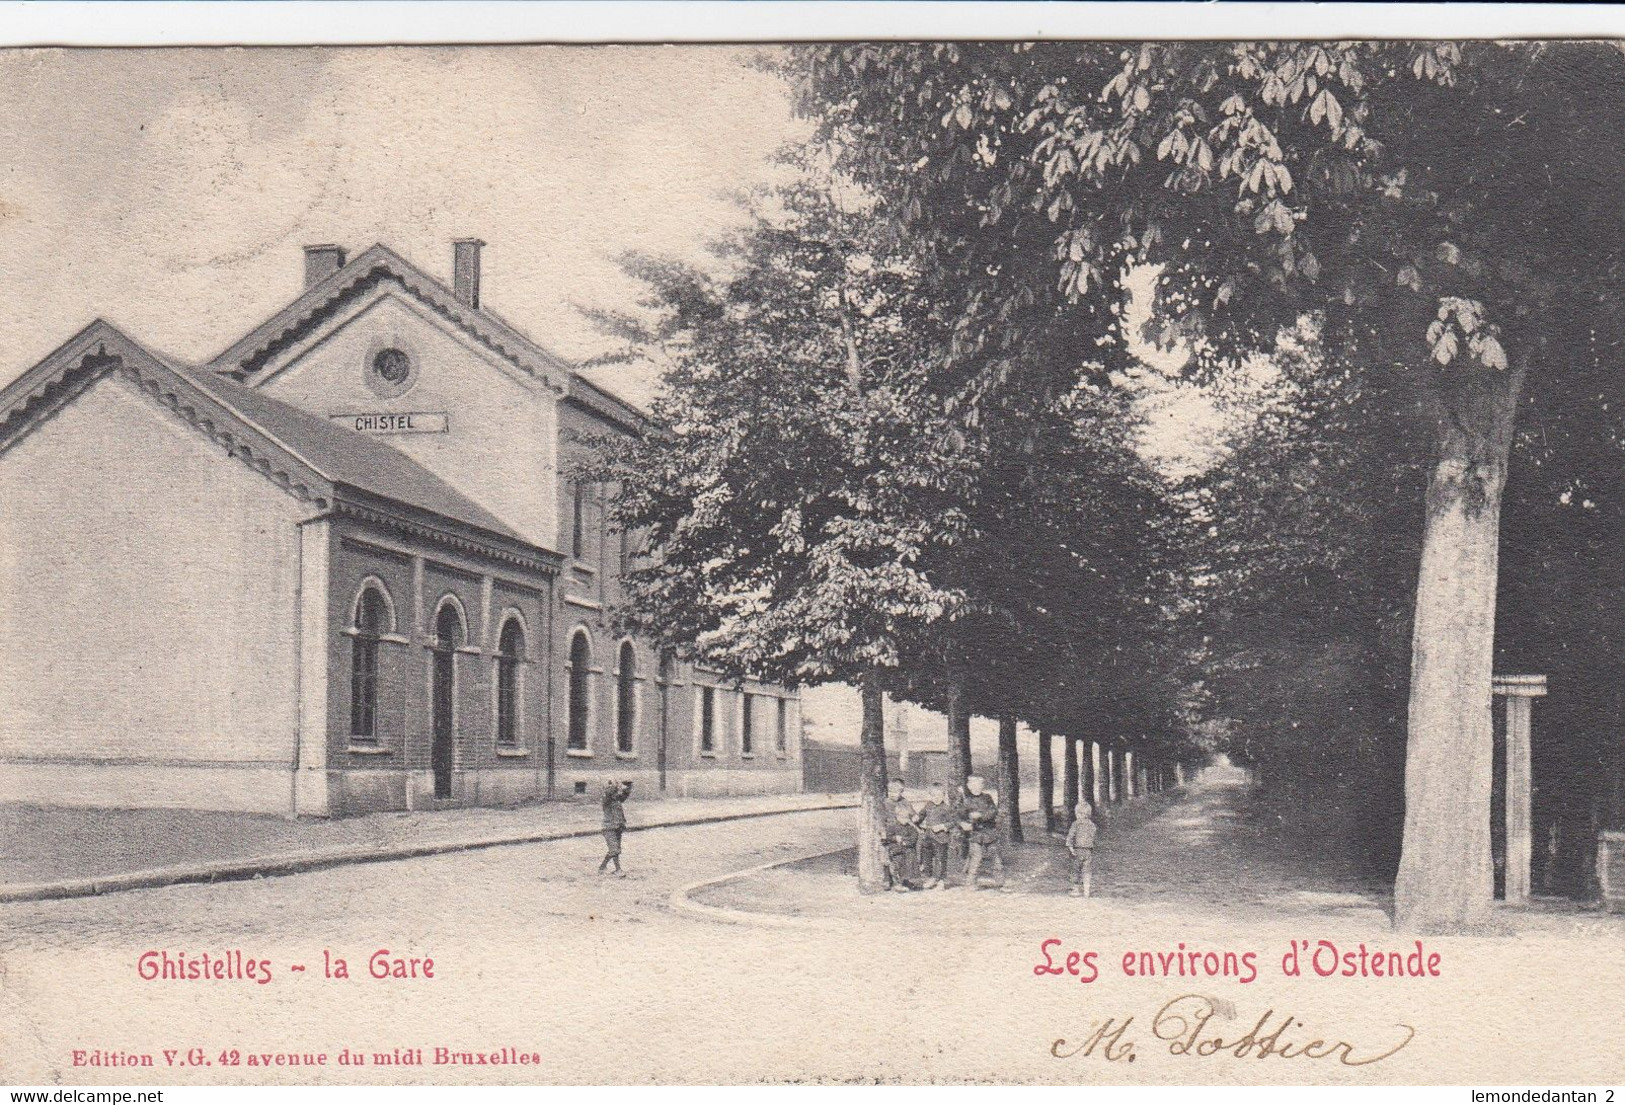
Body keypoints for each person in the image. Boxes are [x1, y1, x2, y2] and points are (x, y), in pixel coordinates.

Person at [960, 775, 1005, 889]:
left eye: (979, 785)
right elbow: (960, 816)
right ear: (969, 787)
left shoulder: (987, 798)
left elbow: (993, 811)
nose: (976, 788)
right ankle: (970, 883)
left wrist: (980, 816)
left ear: (983, 786)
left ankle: (999, 882)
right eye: (973, 785)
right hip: (975, 835)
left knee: (995, 858)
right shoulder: (967, 801)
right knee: (976, 858)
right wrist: (963, 824)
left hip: (990, 833)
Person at [916, 785, 955, 890]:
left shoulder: (946, 808)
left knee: (940, 859)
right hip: (928, 837)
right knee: (926, 858)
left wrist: (943, 826)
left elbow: (953, 822)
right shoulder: (928, 805)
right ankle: (931, 878)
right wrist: (917, 819)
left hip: (941, 838)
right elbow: (921, 815)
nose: (936, 798)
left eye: (939, 795)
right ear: (930, 796)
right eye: (933, 795)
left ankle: (941, 881)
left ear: (943, 796)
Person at [881, 803, 920, 892]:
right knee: (897, 863)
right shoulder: (892, 826)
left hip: (906, 848)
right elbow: (885, 839)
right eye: (904, 818)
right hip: (895, 850)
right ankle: (897, 883)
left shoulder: (909, 827)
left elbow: (914, 836)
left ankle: (906, 880)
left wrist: (904, 841)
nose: (906, 820)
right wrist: (895, 838)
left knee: (910, 860)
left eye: (908, 818)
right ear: (898, 817)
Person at [598, 779, 633, 875]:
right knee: (614, 849)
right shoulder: (606, 800)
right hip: (608, 828)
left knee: (616, 849)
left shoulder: (616, 799)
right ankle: (618, 870)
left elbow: (624, 796)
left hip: (618, 827)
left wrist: (627, 787)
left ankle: (602, 867)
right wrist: (616, 785)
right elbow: (609, 793)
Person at [1066, 799, 1098, 897]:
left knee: (1075, 870)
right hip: (1088, 851)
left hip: (1077, 850)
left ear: (1078, 813)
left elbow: (1071, 836)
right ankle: (1086, 890)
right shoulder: (1092, 825)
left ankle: (1076, 889)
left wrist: (1070, 847)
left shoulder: (1075, 824)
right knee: (1087, 870)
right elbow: (1094, 837)